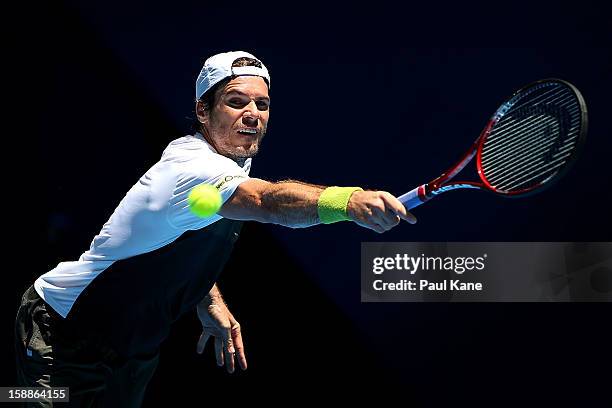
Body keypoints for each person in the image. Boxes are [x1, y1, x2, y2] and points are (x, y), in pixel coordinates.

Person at [14, 51, 416, 407]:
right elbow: (266, 201)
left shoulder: (231, 160)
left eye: (262, 103)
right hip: (64, 331)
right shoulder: (190, 170)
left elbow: (179, 236)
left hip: (133, 348)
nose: (252, 113)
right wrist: (345, 201)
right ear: (203, 112)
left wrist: (208, 300)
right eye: (236, 102)